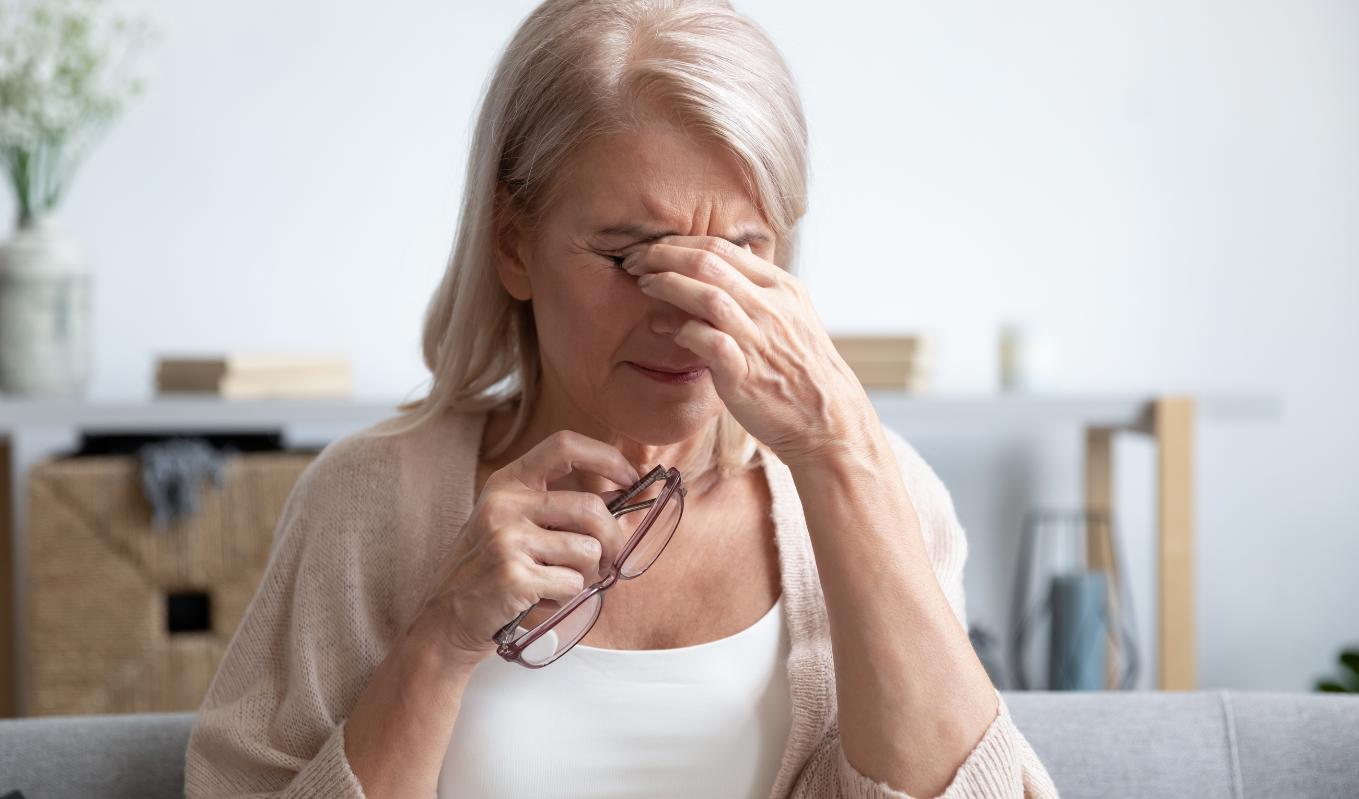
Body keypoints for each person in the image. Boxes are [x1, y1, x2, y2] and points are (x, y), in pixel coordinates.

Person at [185, 1, 1059, 797]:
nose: (691, 315)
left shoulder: (877, 490)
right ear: (513, 244)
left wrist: (840, 452)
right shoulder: (368, 500)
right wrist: (441, 637)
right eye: (631, 256)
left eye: (741, 256)